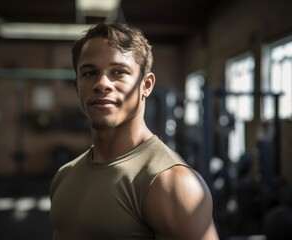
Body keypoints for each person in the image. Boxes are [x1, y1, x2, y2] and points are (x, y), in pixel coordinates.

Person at [49, 22, 219, 240]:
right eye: (89, 73)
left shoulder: (173, 184)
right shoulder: (65, 175)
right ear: (76, 87)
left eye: (118, 72)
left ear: (146, 85)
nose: (102, 84)